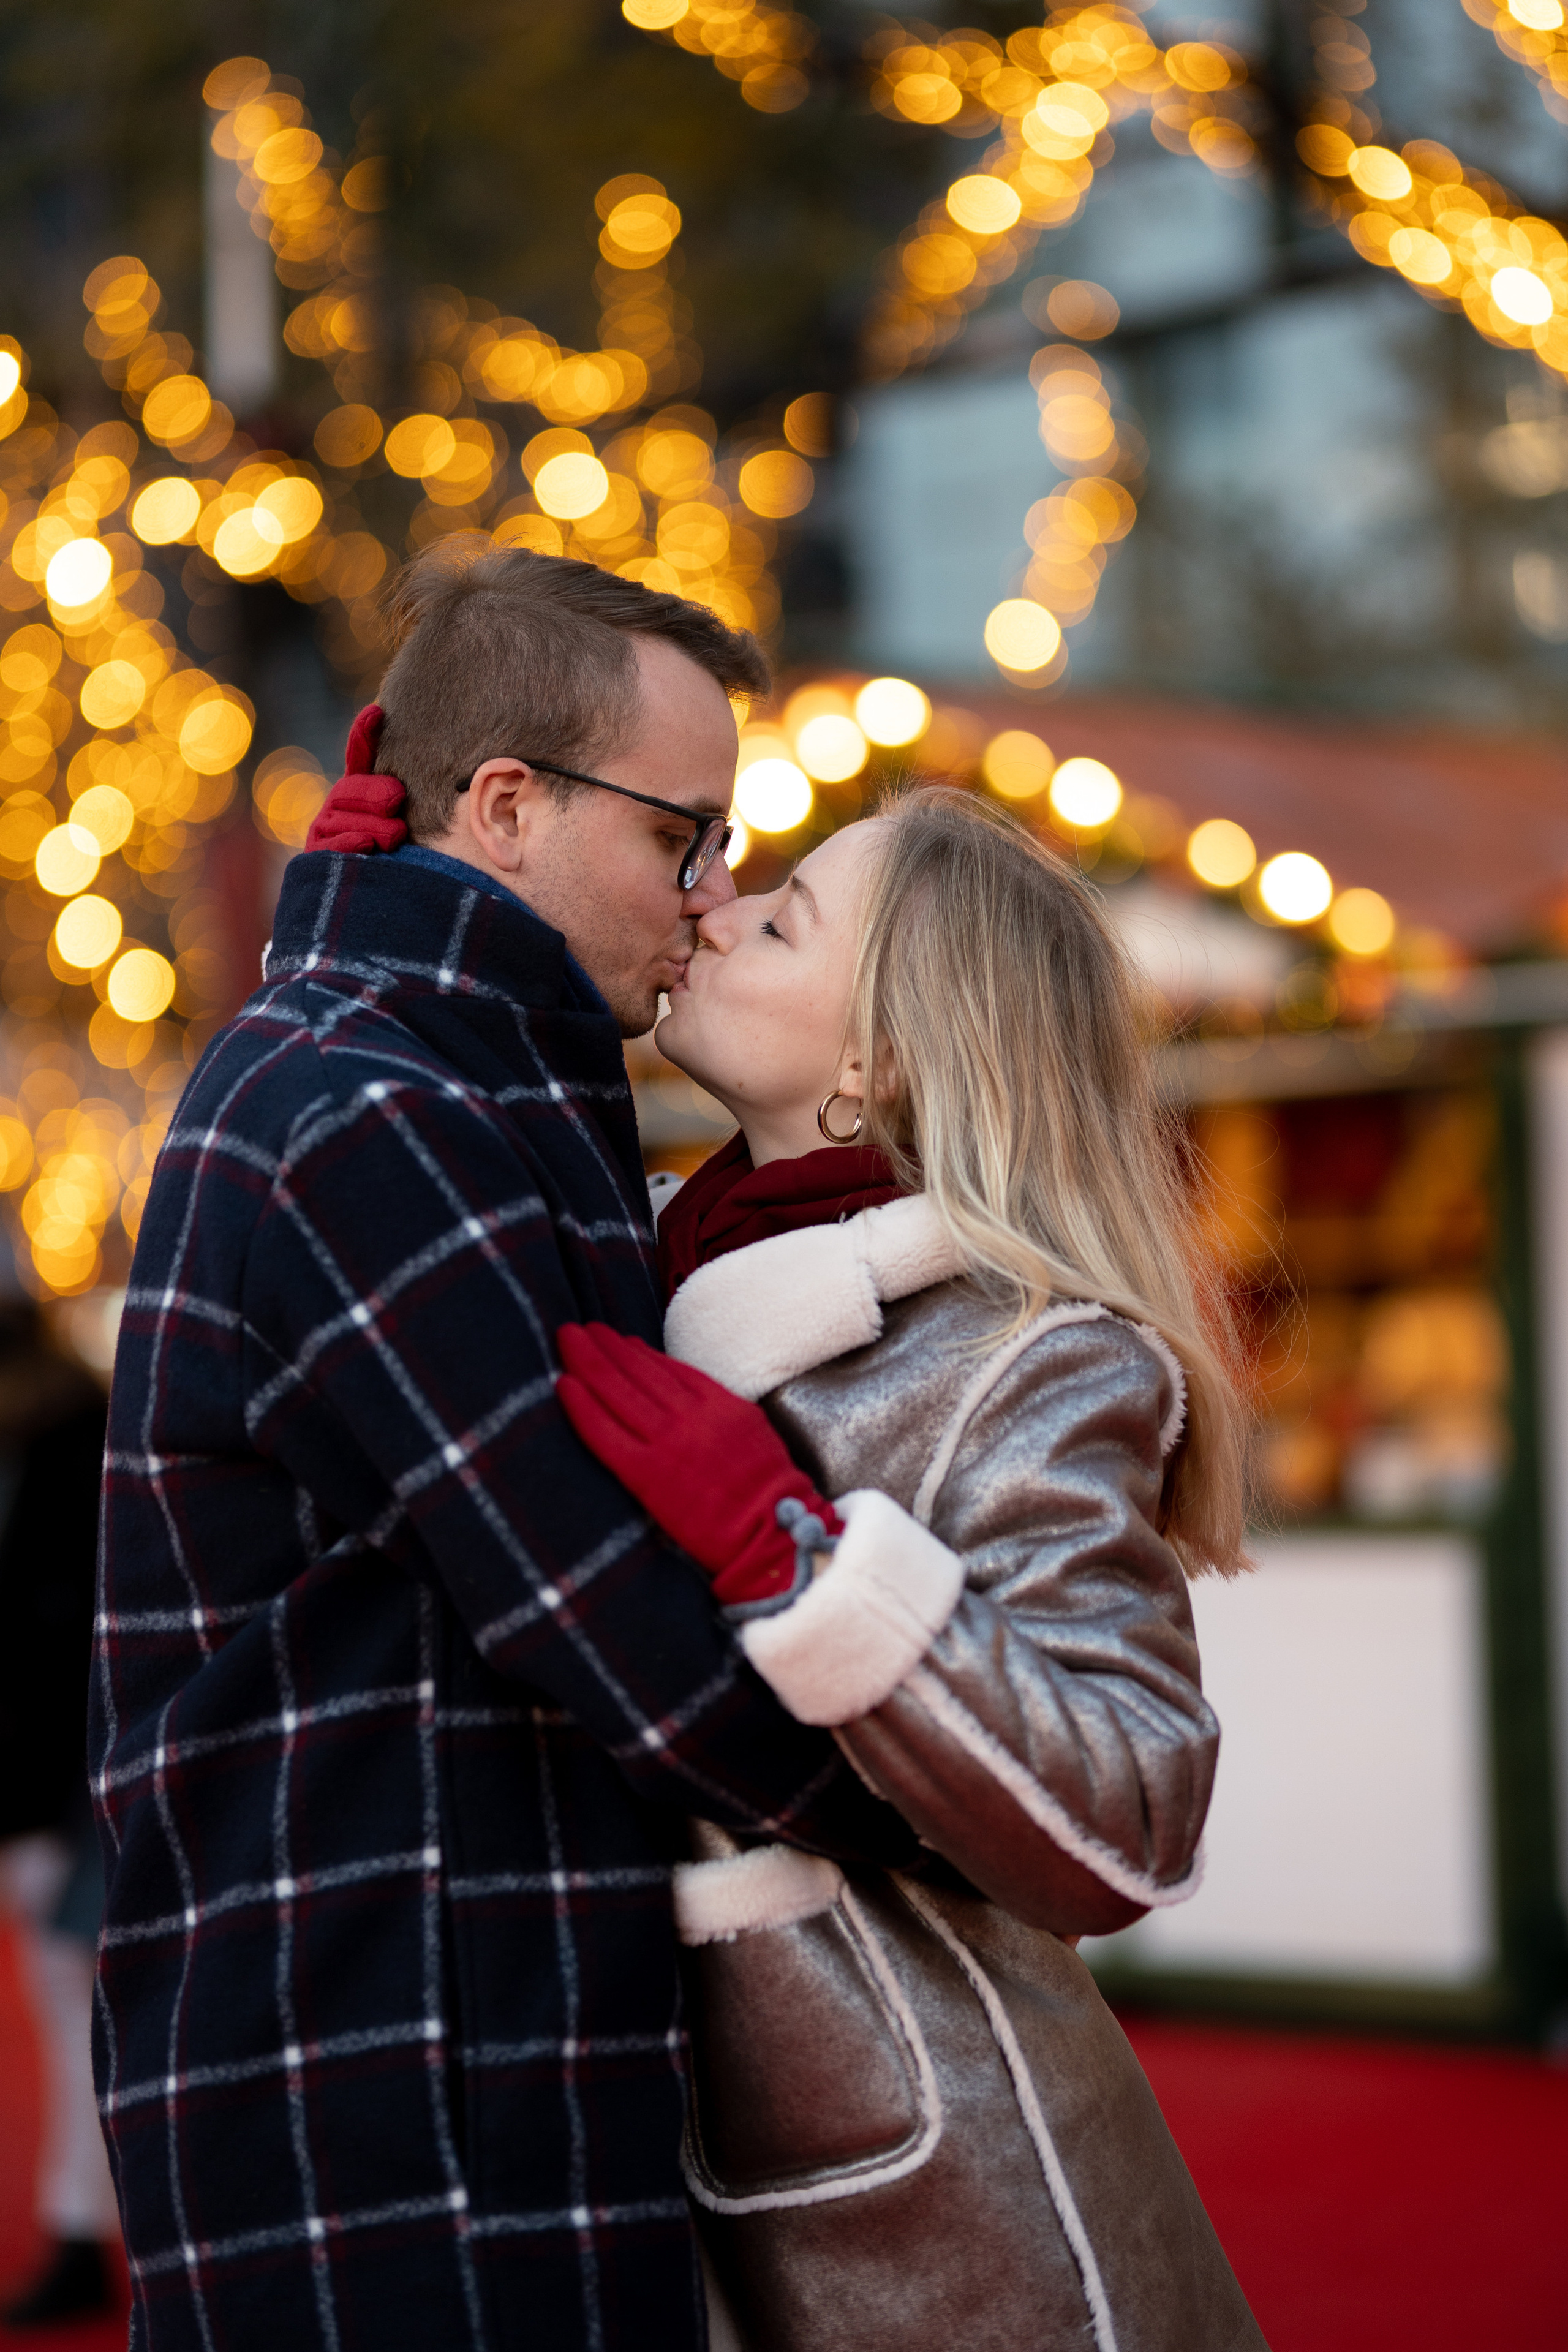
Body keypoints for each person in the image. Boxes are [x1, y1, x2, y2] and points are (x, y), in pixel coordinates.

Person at [90, 549, 914, 2352]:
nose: (707, 898)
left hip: (462, 2024)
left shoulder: (458, 1074)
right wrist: (965, 1801)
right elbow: (612, 1615)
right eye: (680, 838)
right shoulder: (368, 1107)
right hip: (394, 2084)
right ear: (509, 805)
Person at [556, 789, 1267, 2351]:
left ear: (878, 1061)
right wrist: (398, 913)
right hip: (685, 2167)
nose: (719, 904)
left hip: (962, 2217)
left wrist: (800, 1563)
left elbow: (1133, 1818)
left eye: (785, 914)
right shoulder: (646, 1245)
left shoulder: (1036, 1358)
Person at [0, 1305, 120, 2328]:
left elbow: (60, 1619)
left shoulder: (64, 1440)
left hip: (68, 1771)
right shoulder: (74, 1428)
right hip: (64, 1763)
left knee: (74, 1999)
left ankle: (85, 2227)